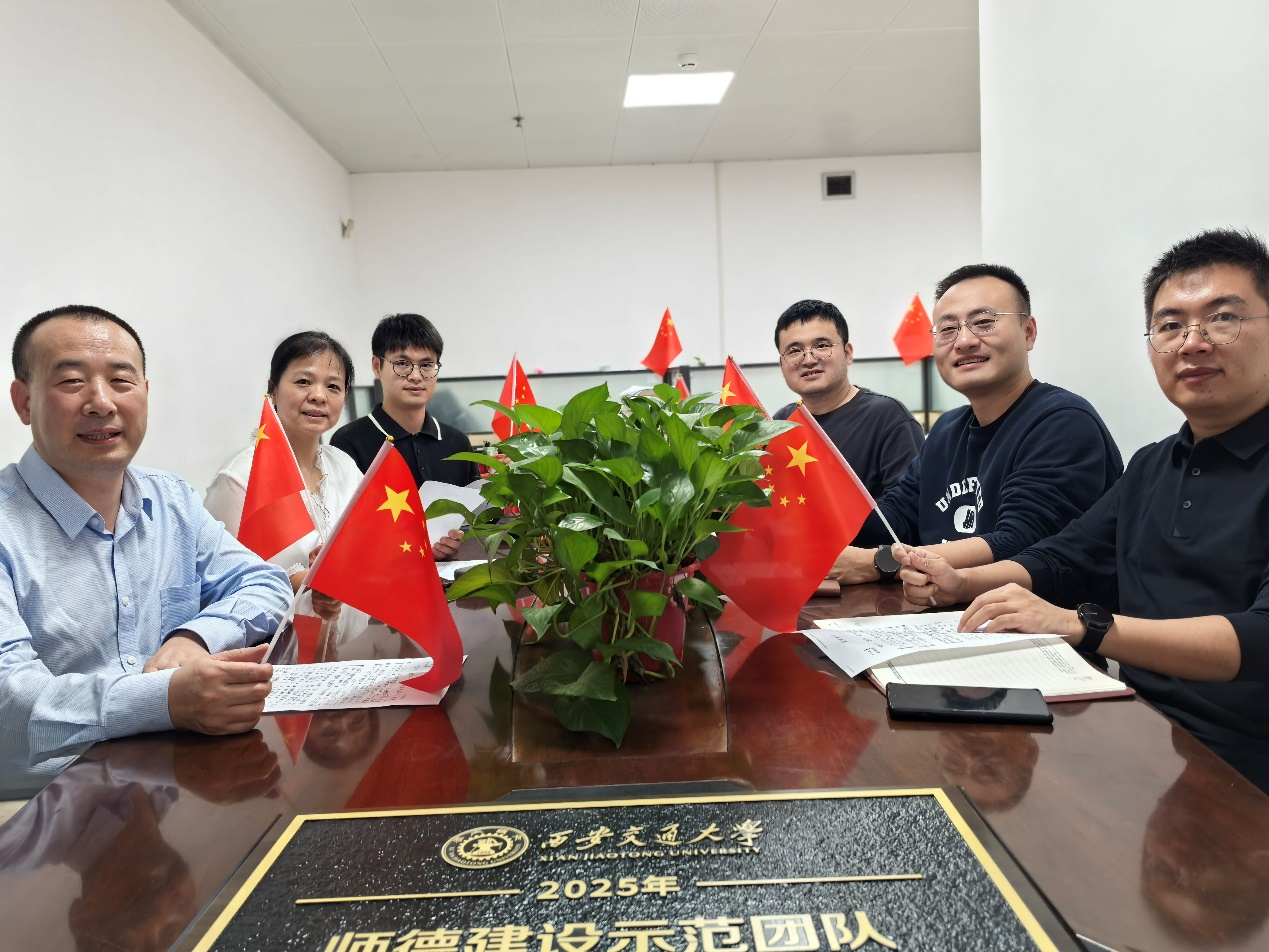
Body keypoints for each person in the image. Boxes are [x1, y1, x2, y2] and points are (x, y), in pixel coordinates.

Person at [898, 229, 1269, 793]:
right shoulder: (1153, 464)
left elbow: (1262, 637)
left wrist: (1083, 625)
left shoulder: (1061, 420)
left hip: (1243, 760)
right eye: (1170, 326)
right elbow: (1063, 556)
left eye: (1223, 319)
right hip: (1139, 731)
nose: (1192, 342)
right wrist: (961, 582)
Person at [0, 306, 291, 773]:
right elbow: (9, 701)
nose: (101, 402)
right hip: (47, 797)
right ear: (24, 401)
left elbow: (266, 584)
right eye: (72, 381)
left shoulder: (171, 499)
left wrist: (194, 637)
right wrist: (163, 700)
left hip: (179, 775)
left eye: (121, 381)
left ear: (145, 394)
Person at [835, 264, 1122, 585]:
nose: (964, 341)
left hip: (1033, 614)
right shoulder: (946, 430)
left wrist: (879, 562)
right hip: (939, 611)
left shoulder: (1063, 421)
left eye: (983, 323)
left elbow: (1020, 542)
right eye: (947, 329)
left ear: (1028, 332)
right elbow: (894, 521)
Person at [204, 332, 361, 617]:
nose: (318, 396)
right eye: (303, 382)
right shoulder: (240, 477)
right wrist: (302, 583)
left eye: (333, 386)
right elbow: (217, 581)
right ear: (273, 390)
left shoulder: (345, 466)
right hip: (268, 638)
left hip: (346, 634)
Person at [330, 313, 475, 560]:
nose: (416, 376)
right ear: (377, 366)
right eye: (402, 363)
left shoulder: (457, 443)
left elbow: (475, 524)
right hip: (380, 577)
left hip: (455, 578)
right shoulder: (347, 444)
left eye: (427, 365)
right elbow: (343, 533)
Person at [773, 299, 924, 499]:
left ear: (847, 353)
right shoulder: (781, 422)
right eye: (794, 351)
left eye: (822, 346)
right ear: (782, 364)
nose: (808, 359)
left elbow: (908, 507)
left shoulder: (888, 417)